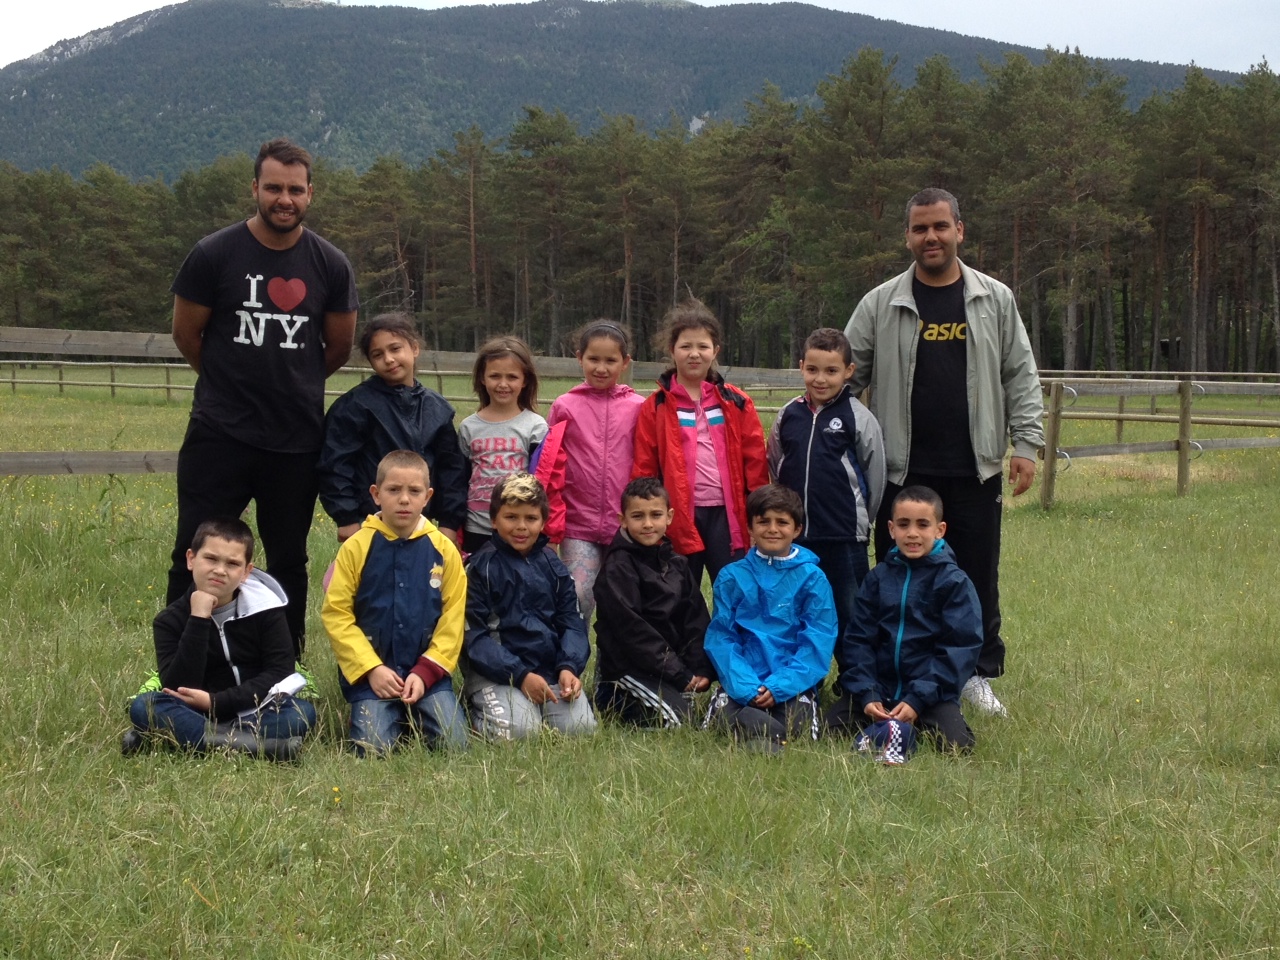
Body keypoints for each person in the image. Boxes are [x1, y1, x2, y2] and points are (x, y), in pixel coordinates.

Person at [843, 187, 1044, 718]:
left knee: (977, 577)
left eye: (939, 226)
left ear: (959, 229)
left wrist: (1026, 442)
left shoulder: (994, 299)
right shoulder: (880, 303)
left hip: (974, 467)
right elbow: (844, 377)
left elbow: (1020, 373)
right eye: (919, 228)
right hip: (901, 471)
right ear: (907, 236)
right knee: (896, 576)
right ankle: (894, 671)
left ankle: (977, 673)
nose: (930, 237)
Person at [167, 137, 359, 653]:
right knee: (194, 554)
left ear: (310, 193)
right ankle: (179, 664)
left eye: (295, 190)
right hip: (218, 435)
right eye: (274, 188)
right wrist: (228, 382)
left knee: (288, 561)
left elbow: (338, 348)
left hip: (295, 442)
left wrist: (291, 382)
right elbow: (187, 334)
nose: (284, 199)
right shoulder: (213, 254)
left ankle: (284, 668)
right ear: (255, 187)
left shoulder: (330, 265)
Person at [125, 517, 316, 761]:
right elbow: (177, 685)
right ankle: (263, 747)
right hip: (194, 711)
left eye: (233, 564)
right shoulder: (169, 620)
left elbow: (280, 672)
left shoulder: (266, 608)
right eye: (211, 559)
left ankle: (182, 739)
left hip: (256, 709)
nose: (220, 570)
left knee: (300, 713)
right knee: (146, 706)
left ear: (246, 572)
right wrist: (198, 619)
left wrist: (216, 702)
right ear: (191, 559)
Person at [321, 450, 470, 756]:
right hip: (373, 675)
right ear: (376, 494)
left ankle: (414, 709)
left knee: (455, 745)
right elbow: (337, 614)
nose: (404, 499)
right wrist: (371, 668)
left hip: (427, 673)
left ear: (427, 497)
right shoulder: (356, 547)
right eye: (393, 490)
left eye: (414, 491)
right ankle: (376, 713)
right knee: (373, 748)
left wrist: (427, 670)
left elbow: (453, 618)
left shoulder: (444, 550)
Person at [767, 327, 885, 690]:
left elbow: (875, 477)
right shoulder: (788, 415)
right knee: (794, 612)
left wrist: (859, 522)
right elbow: (775, 464)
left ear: (848, 371)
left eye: (831, 371)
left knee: (850, 613)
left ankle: (857, 684)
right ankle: (800, 685)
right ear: (801, 366)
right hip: (794, 540)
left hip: (843, 537)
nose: (821, 379)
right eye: (813, 369)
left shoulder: (858, 417)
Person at [632, 298, 769, 590]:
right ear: (672, 350)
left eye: (703, 346)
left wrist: (758, 511)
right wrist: (647, 514)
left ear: (715, 351)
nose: (694, 354)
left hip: (728, 516)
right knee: (678, 595)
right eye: (685, 346)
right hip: (678, 517)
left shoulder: (737, 401)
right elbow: (645, 466)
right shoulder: (655, 406)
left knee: (736, 592)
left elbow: (755, 462)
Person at [836, 486, 983, 753]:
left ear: (940, 530)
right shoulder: (877, 578)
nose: (912, 533)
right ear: (891, 529)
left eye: (923, 525)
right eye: (904, 524)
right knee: (829, 729)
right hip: (879, 690)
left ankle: (916, 721)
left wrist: (918, 699)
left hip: (929, 695)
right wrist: (868, 693)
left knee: (958, 746)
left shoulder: (954, 583)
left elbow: (960, 648)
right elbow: (858, 638)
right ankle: (883, 718)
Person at [703, 485, 838, 753]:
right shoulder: (731, 576)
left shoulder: (813, 578)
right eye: (763, 522)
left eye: (782, 522)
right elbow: (722, 638)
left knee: (797, 724)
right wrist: (746, 687)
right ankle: (763, 729)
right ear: (750, 528)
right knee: (722, 716)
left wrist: (779, 687)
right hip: (744, 682)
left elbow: (817, 641)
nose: (772, 529)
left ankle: (757, 729)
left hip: (791, 683)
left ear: (797, 529)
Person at [462, 473, 596, 741]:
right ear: (493, 520)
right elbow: (473, 638)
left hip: (549, 671)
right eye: (511, 517)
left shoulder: (554, 566)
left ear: (543, 522)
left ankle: (535, 706)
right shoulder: (479, 568)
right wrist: (520, 675)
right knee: (524, 732)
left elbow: (573, 623)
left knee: (580, 729)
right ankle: (474, 714)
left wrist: (568, 667)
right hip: (497, 674)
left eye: (531, 518)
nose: (521, 527)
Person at [317, 313, 468, 545]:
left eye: (395, 349)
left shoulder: (437, 409)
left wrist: (449, 523)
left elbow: (452, 469)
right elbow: (335, 464)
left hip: (421, 526)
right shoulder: (355, 407)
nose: (388, 359)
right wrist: (346, 517)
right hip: (370, 523)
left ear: (414, 348)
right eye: (378, 355)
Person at [541, 321, 645, 622]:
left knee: (622, 601)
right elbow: (550, 464)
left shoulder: (639, 407)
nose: (601, 368)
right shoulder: (564, 406)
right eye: (593, 359)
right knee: (579, 595)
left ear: (625, 363)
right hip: (578, 524)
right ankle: (573, 651)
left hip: (624, 526)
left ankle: (613, 655)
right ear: (579, 358)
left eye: (610, 360)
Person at [592, 477, 713, 728]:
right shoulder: (617, 567)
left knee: (698, 717)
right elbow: (632, 631)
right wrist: (678, 673)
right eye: (638, 516)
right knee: (679, 722)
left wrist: (700, 668)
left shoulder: (677, 564)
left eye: (656, 515)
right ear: (623, 520)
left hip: (666, 669)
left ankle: (668, 693)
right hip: (627, 669)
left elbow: (695, 618)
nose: (648, 524)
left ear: (669, 517)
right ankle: (611, 699)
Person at [457, 336, 548, 556]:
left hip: (517, 530)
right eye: (495, 376)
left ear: (525, 380)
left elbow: (543, 484)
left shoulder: (535, 426)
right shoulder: (468, 427)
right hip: (477, 527)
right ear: (482, 378)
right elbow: (459, 480)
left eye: (512, 377)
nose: (503, 384)